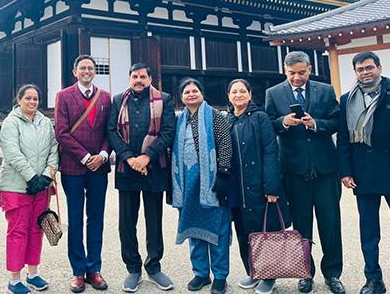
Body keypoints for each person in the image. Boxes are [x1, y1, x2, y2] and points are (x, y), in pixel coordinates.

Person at [265, 51, 344, 294]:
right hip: (294, 169)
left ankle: (332, 273)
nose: (297, 77)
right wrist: (284, 123)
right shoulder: (274, 93)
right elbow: (269, 124)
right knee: (301, 225)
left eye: (301, 72)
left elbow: (337, 121)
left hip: (325, 169)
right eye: (292, 73)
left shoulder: (326, 90)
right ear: (284, 71)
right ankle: (305, 273)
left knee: (330, 224)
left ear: (309, 69)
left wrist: (315, 124)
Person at [337, 51, 390, 294]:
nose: (365, 73)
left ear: (379, 67)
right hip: (363, 173)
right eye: (360, 69)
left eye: (369, 68)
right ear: (355, 72)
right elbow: (344, 138)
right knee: (368, 230)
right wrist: (345, 170)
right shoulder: (347, 100)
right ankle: (373, 279)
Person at [108, 63, 176, 293]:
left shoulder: (164, 99)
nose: (139, 80)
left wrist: (146, 157)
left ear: (150, 78)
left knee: (154, 220)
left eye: (143, 76)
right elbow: (111, 131)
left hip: (154, 167)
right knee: (127, 221)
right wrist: (128, 158)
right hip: (126, 169)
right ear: (129, 79)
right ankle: (133, 267)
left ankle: (154, 266)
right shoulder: (118, 100)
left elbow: (168, 131)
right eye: (135, 76)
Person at [54, 55, 111, 293]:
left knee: (96, 217)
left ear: (94, 72)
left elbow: (111, 129)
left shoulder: (106, 97)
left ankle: (94, 268)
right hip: (73, 166)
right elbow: (61, 132)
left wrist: (104, 155)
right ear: (74, 72)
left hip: (100, 166)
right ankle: (78, 270)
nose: (87, 71)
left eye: (90, 68)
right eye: (82, 68)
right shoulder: (63, 96)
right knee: (75, 218)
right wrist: (86, 157)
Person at [227, 78, 290, 294]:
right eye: (234, 92)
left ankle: (269, 276)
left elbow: (271, 152)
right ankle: (253, 271)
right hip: (236, 187)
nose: (238, 95)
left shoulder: (260, 118)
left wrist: (272, 187)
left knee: (265, 231)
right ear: (229, 96)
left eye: (242, 91)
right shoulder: (227, 121)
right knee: (244, 232)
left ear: (250, 94)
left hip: (259, 185)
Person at [171, 78, 232, 294]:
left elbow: (225, 144)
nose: (191, 94)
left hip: (212, 182)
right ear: (181, 97)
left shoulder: (215, 116)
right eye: (186, 92)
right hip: (188, 183)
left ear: (202, 93)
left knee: (218, 230)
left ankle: (220, 276)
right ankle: (200, 273)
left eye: (194, 90)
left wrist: (223, 174)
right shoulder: (180, 119)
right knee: (193, 228)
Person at [0, 84, 59, 294]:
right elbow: (12, 152)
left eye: (36, 99)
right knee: (17, 230)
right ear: (19, 100)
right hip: (17, 186)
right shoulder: (11, 122)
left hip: (42, 185)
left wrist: (45, 176)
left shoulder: (45, 122)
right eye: (28, 99)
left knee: (37, 229)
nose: (32, 102)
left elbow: (54, 149)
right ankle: (14, 279)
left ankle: (33, 274)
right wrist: (31, 177)